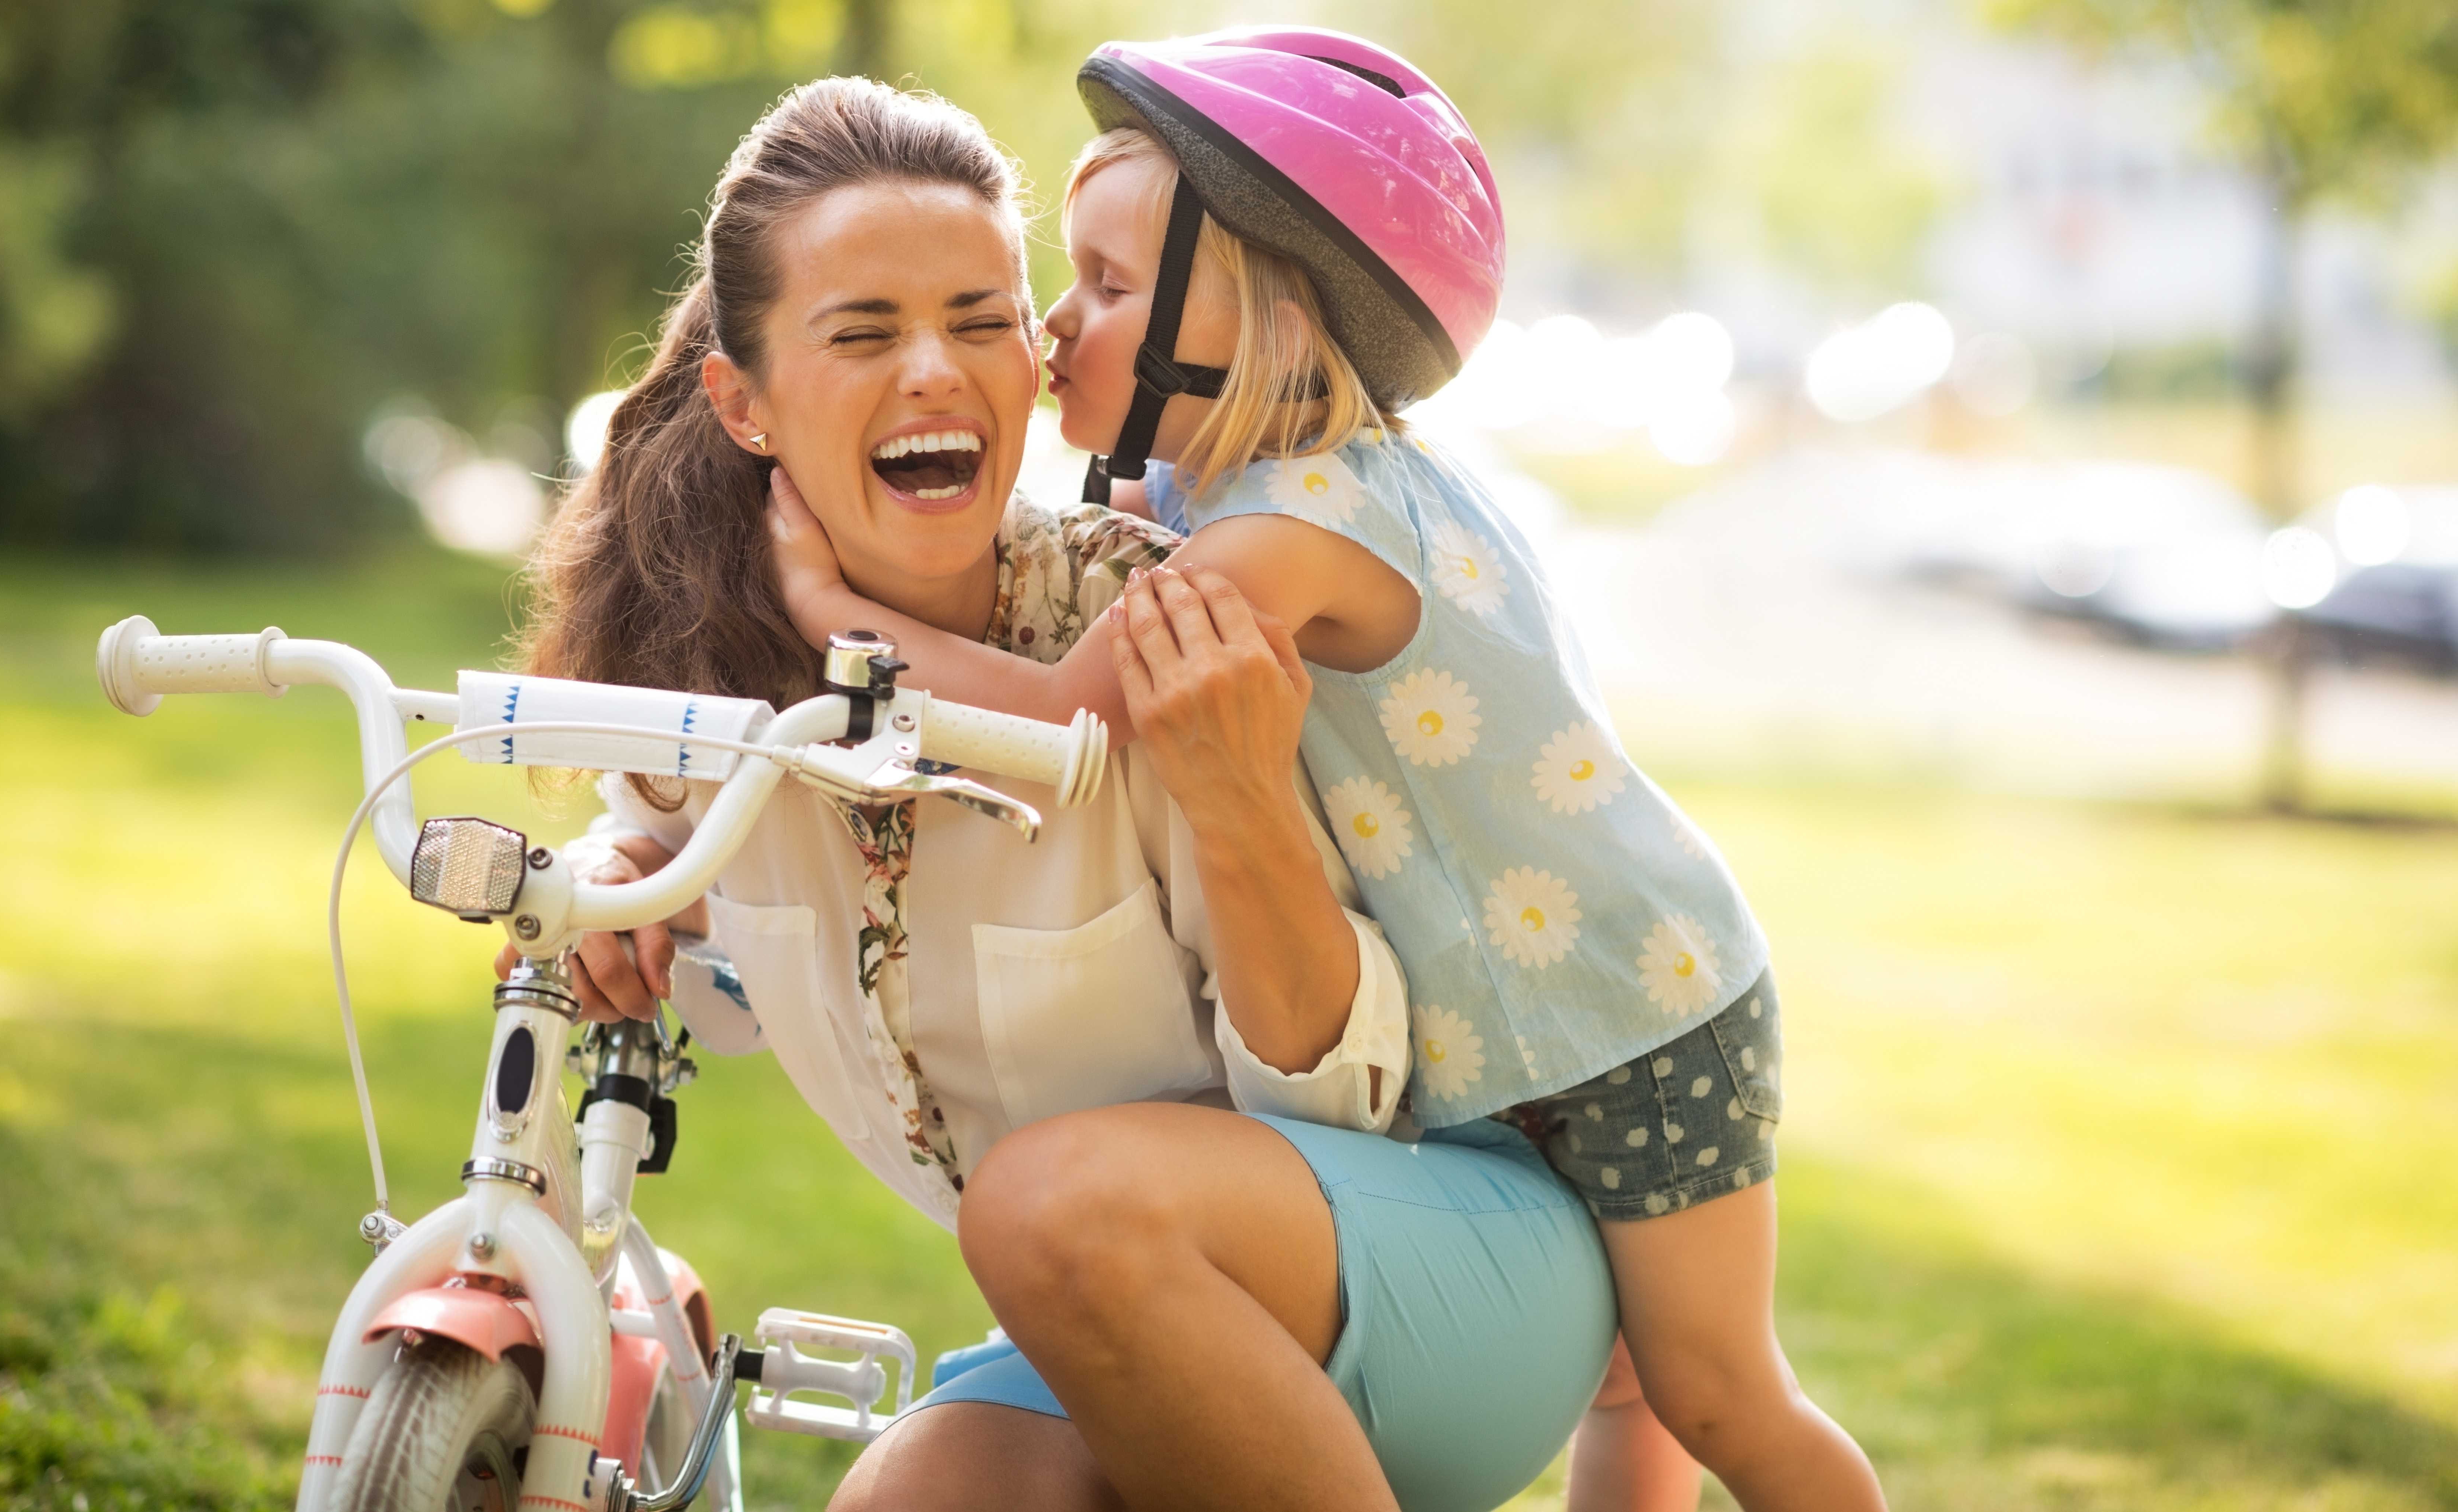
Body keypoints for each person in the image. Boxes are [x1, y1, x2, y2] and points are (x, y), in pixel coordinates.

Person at [760, 31, 1888, 1512]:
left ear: (1264, 326)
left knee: (1713, 1393)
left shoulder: (1288, 528)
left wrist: (829, 613)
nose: (1050, 328)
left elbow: (1057, 723)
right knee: (1634, 1384)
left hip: (1630, 1017)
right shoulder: (1213, 483)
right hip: (1507, 1031)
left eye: (1106, 288)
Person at [509, 76, 1616, 1512]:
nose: (934, 372)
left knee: (1047, 1205)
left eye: (981, 321)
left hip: (1430, 1273)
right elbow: (719, 957)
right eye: (863, 333)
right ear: (745, 401)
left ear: (1033, 365)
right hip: (1106, 1323)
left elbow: (1347, 1093)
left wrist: (1237, 805)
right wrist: (623, 892)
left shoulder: (1145, 630)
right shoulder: (715, 703)